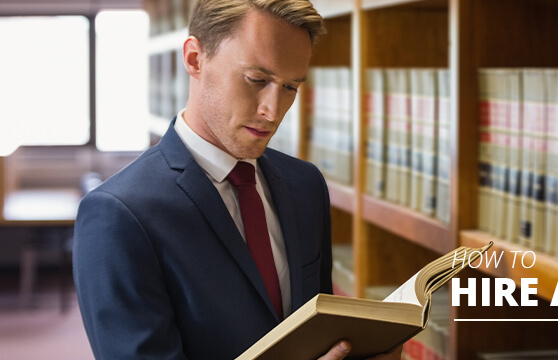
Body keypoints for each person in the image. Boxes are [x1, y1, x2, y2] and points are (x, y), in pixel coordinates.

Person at [73, 1, 400, 359]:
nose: (273, 112)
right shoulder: (118, 216)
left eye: (290, 87)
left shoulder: (305, 185)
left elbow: (317, 335)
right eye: (256, 80)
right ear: (195, 59)